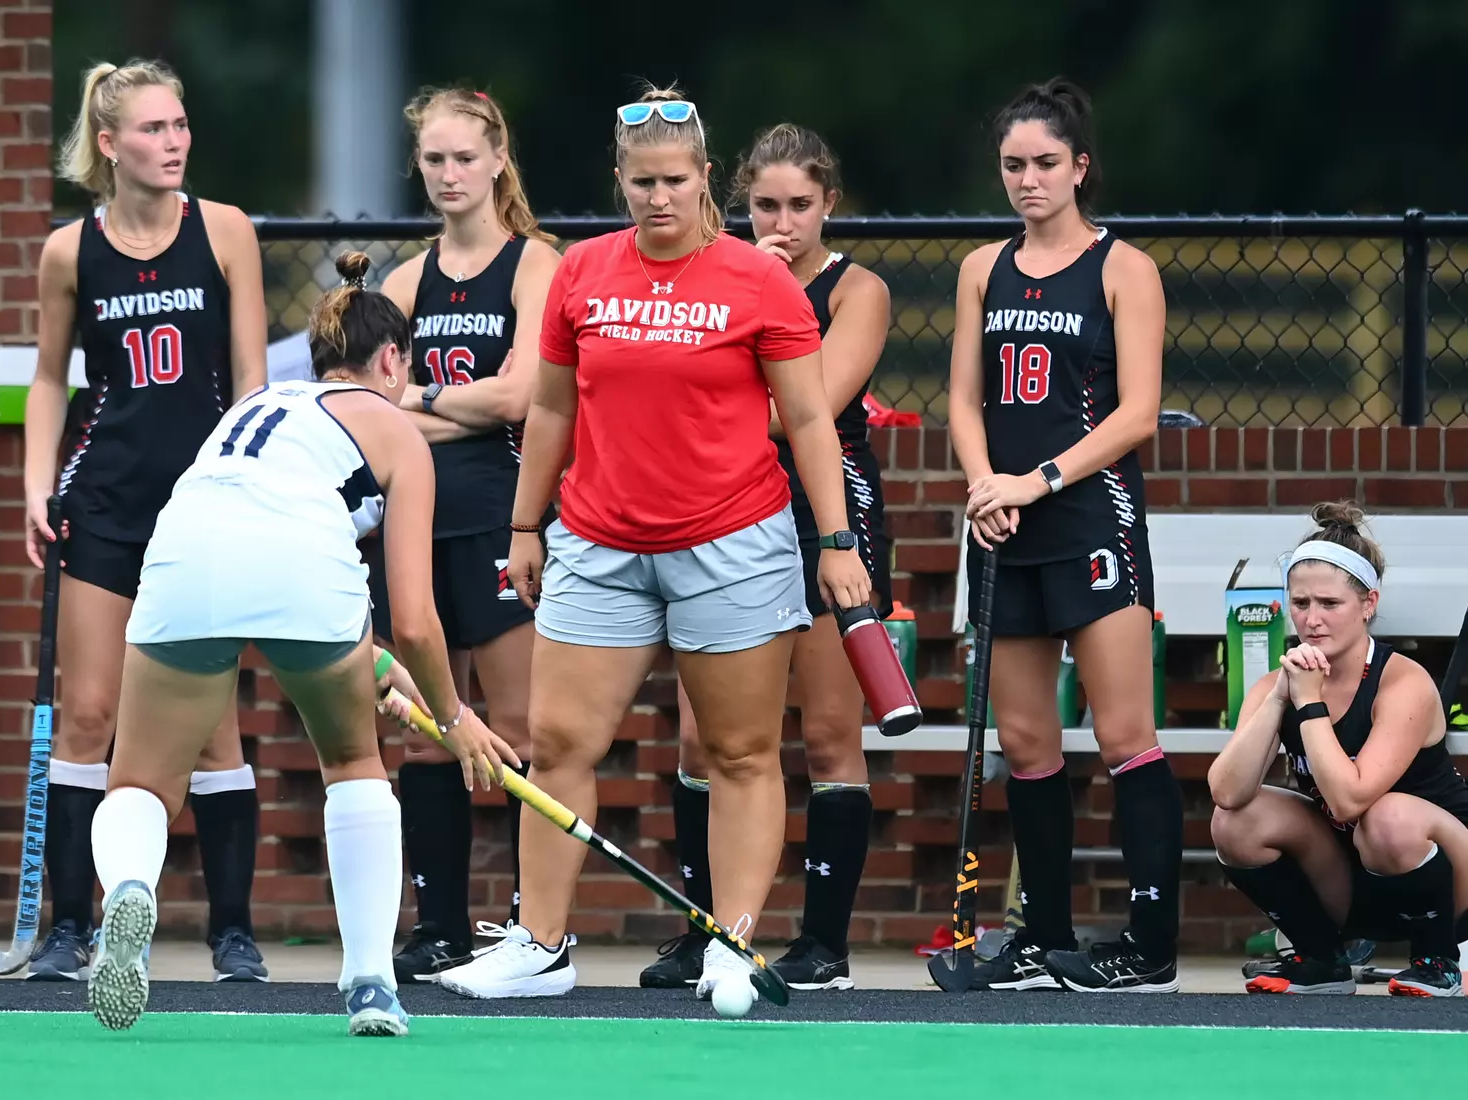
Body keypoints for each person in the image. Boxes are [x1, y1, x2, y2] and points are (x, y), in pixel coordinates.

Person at [433, 84, 872, 1004]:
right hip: (598, 540)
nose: (658, 198)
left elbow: (807, 418)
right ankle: (541, 944)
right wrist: (525, 524)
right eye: (641, 183)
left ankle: (733, 946)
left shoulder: (761, 279)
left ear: (707, 177)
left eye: (675, 180)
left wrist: (835, 540)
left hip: (735, 541)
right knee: (557, 745)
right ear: (619, 180)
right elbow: (551, 406)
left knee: (740, 753)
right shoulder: (583, 271)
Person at [85, 262, 518, 1033]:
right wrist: (455, 719)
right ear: (392, 362)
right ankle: (372, 985)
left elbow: (276, 563)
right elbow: (414, 620)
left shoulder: (260, 403)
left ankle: (128, 888)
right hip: (304, 573)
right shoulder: (398, 431)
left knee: (142, 782)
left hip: (185, 546)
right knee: (353, 765)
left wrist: (375, 663)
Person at [23, 59, 270, 982]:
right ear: (110, 144)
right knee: (88, 714)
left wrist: (252, 486)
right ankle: (68, 927)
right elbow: (51, 378)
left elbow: (252, 378)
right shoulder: (67, 251)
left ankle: (232, 934)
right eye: (155, 130)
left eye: (180, 126)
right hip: (107, 500)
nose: (174, 143)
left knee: (211, 727)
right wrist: (33, 486)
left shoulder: (226, 232)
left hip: (204, 507)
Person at [643, 124, 892, 992]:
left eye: (799, 206)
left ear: (830, 205)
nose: (780, 224)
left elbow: (807, 408)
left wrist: (696, 410)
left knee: (828, 733)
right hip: (716, 512)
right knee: (701, 738)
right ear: (736, 201)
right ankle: (704, 932)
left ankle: (824, 944)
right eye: (763, 207)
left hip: (825, 514)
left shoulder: (857, 290)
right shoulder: (714, 280)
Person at [949, 78, 1178, 993]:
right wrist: (982, 487)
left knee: (1125, 733)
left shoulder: (1125, 269)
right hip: (1001, 522)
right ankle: (1045, 936)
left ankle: (1153, 947)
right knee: (1028, 741)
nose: (1028, 180)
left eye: (1046, 163)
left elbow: (1139, 413)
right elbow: (964, 399)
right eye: (1013, 165)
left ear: (1080, 167)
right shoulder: (981, 270)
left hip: (1088, 514)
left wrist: (1036, 480)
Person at [370, 86, 562, 983]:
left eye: (463, 158)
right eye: (434, 160)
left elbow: (521, 397)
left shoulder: (535, 265)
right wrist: (447, 407)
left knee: (522, 720)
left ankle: (531, 927)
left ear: (496, 160)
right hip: (415, 522)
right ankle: (439, 924)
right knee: (425, 727)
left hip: (502, 512)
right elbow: (375, 410)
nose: (449, 174)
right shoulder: (404, 282)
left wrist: (417, 402)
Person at [1209, 504, 1468, 997]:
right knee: (1234, 821)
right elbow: (1226, 790)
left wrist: (1309, 705)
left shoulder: (1402, 681)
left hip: (1445, 876)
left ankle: (1438, 958)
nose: (1311, 619)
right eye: (1300, 602)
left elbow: (1351, 801)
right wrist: (1281, 696)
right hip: (1353, 876)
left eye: (1330, 603)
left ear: (1368, 603)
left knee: (1387, 817)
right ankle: (1320, 958)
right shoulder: (1285, 683)